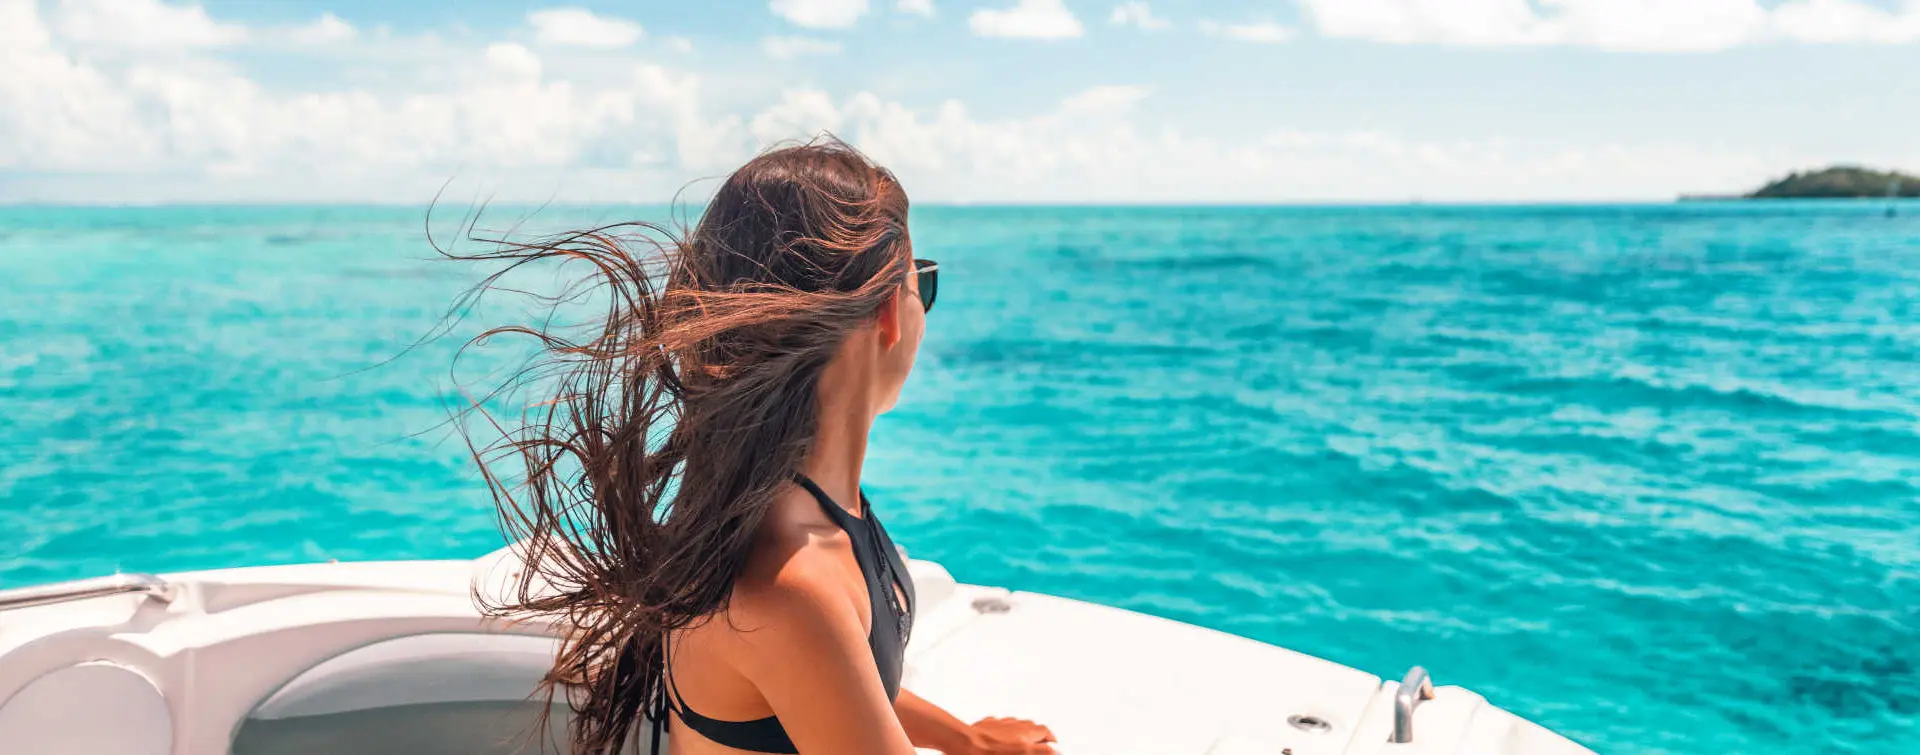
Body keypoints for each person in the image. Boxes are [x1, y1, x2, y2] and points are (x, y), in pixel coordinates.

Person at [458, 139, 1058, 754]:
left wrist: (966, 740)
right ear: (888, 314)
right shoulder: (793, 585)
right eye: (920, 284)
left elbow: (837, 679)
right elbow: (814, 651)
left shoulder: (797, 509)